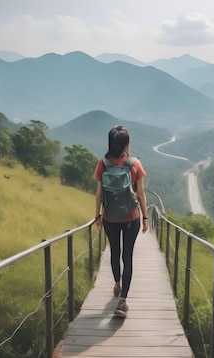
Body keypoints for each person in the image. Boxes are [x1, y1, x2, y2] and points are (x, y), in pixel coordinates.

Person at [94, 125, 148, 318]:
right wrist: (145, 217)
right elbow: (140, 193)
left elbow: (99, 193)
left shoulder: (103, 164)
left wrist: (97, 216)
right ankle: (123, 301)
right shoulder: (134, 164)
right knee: (128, 257)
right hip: (131, 218)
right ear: (126, 143)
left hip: (110, 217)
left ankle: (117, 283)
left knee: (114, 253)